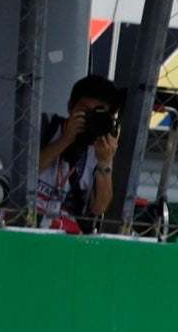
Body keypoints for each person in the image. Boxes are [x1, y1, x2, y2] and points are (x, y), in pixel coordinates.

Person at [35, 74, 123, 230]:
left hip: (65, 233)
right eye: (84, 112)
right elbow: (24, 175)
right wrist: (65, 140)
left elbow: (99, 208)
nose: (89, 119)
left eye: (96, 114)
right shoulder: (46, 125)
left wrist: (105, 162)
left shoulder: (101, 146)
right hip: (28, 219)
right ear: (70, 107)